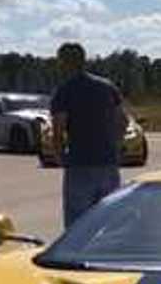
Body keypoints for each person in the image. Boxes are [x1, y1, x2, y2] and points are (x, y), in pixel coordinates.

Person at [48, 42, 126, 227]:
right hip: (108, 163)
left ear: (64, 62)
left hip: (80, 164)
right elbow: (122, 121)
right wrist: (115, 144)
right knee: (107, 220)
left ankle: (77, 256)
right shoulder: (107, 87)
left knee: (78, 224)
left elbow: (58, 129)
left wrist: (60, 156)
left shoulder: (64, 91)